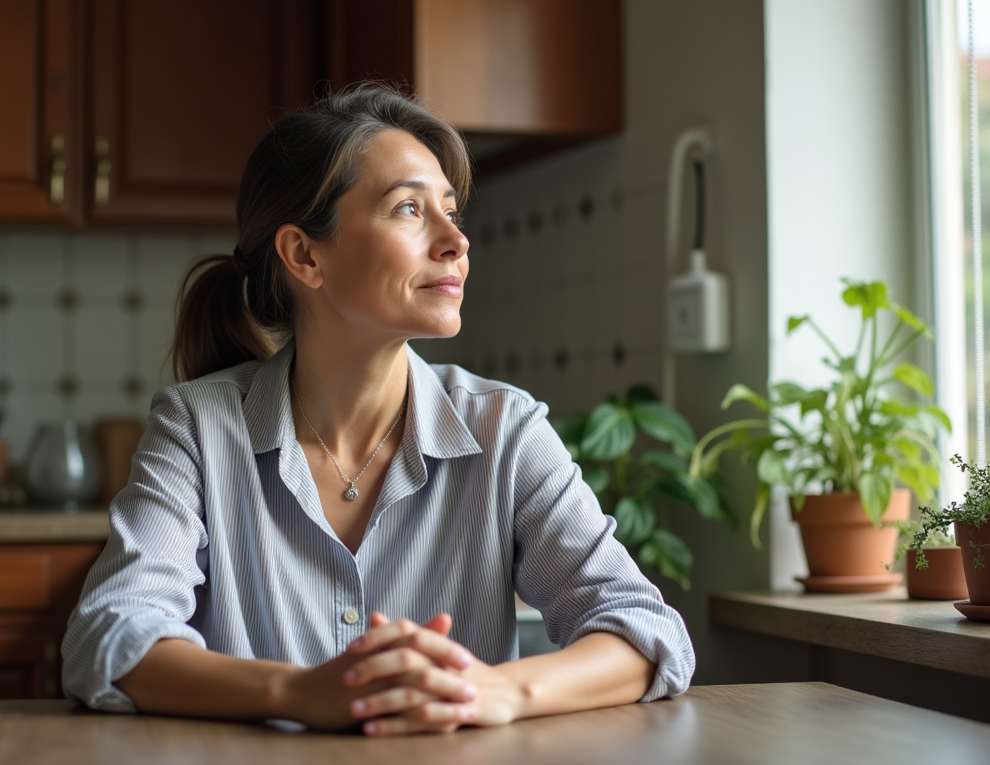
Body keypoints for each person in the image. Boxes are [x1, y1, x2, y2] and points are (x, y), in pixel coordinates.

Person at [61, 83, 694, 736]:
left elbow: (645, 630)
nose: (455, 241)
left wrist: (498, 691)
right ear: (305, 255)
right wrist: (298, 692)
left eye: (452, 211)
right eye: (410, 209)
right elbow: (108, 637)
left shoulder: (506, 430)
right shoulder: (197, 428)